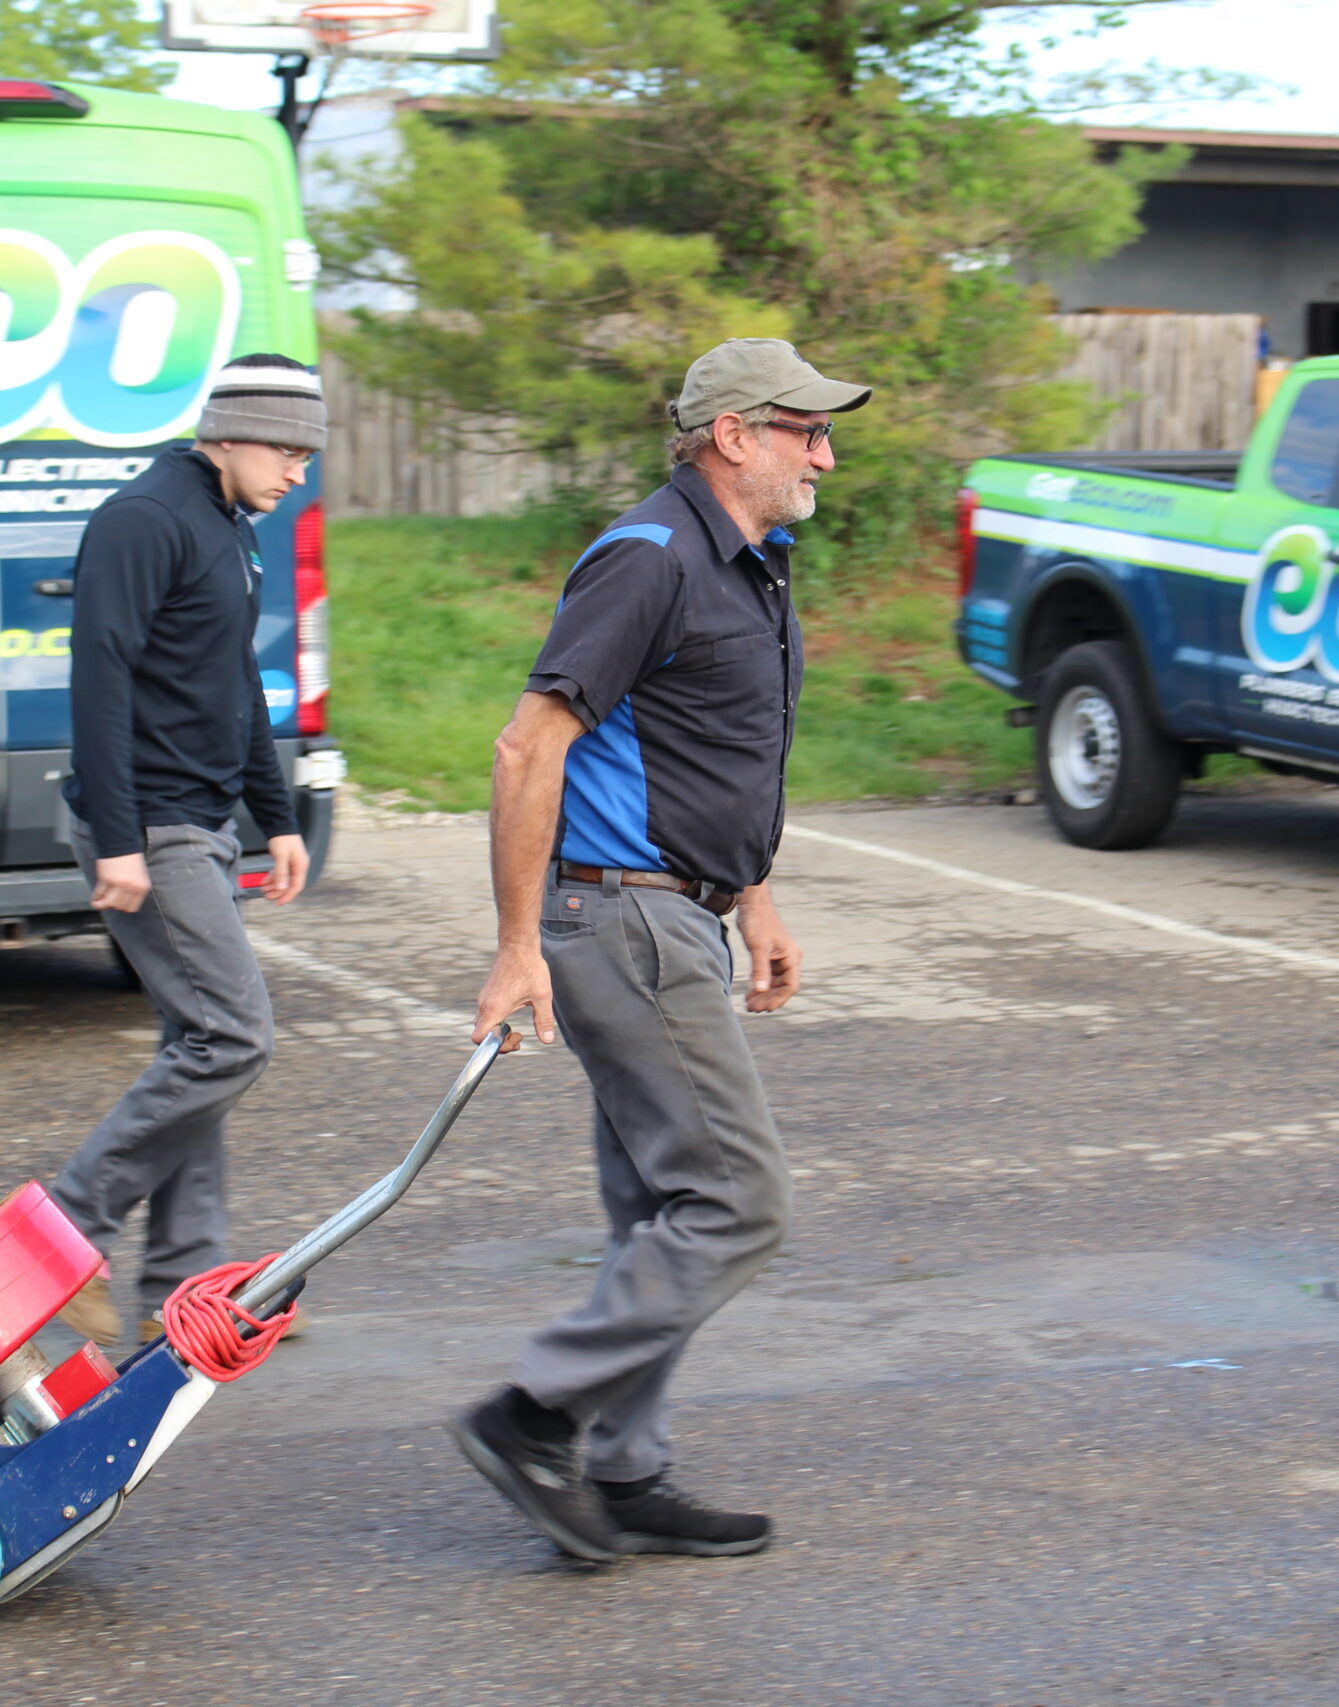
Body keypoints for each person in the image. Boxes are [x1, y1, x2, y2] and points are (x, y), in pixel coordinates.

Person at [454, 338, 871, 1561]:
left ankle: (625, 1469)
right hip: (621, 920)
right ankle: (531, 1418)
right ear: (732, 432)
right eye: (807, 430)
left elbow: (711, 751)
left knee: (659, 1209)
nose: (825, 455)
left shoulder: (747, 564)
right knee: (738, 1200)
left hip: (681, 908)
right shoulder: (648, 559)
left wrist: (755, 897)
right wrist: (515, 945)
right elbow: (528, 748)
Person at [50, 353, 324, 1346]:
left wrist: (276, 815)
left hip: (199, 821)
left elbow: (233, 687)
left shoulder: (228, 528)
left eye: (309, 453)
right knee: (235, 1036)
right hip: (149, 827)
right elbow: (100, 682)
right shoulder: (143, 519)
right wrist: (118, 845)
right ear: (231, 430)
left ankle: (185, 1286)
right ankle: (69, 1231)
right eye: (288, 449)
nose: (300, 471)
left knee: (197, 1043)